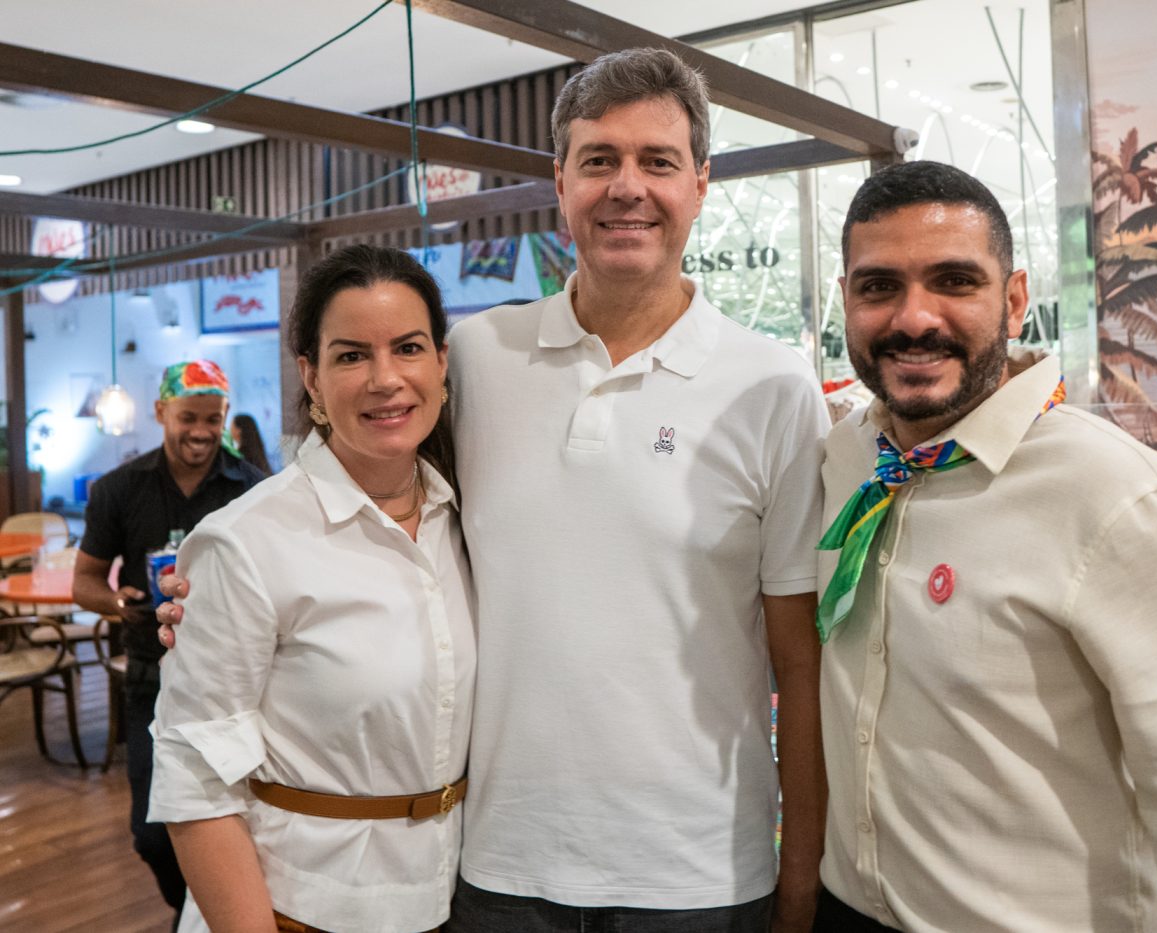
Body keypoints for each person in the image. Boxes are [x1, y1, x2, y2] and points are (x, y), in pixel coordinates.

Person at [160, 47, 827, 932]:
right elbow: (366, 486)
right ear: (561, 182)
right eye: (599, 159)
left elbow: (800, 660)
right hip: (498, 865)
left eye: (658, 160)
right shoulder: (478, 357)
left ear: (700, 183)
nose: (627, 186)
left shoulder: (773, 386)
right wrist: (222, 591)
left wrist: (802, 878)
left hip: (700, 872)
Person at [813, 160, 1157, 932]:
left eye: (954, 281)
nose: (913, 317)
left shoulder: (1121, 495)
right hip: (848, 911)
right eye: (879, 286)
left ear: (1014, 300)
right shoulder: (846, 458)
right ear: (846, 301)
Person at [147, 244, 474, 932]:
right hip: (298, 903)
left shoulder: (468, 519)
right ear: (312, 377)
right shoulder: (247, 540)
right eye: (351, 355)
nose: (386, 378)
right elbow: (194, 779)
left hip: (448, 897)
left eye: (408, 348)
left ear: (442, 363)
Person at [72, 359, 265, 927]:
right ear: (161, 412)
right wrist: (118, 602)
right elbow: (85, 583)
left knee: (238, 821)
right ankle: (197, 913)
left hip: (233, 683)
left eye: (213, 418)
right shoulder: (119, 488)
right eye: (188, 418)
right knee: (152, 834)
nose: (201, 432)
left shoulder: (254, 489)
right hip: (150, 679)